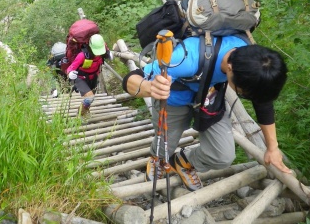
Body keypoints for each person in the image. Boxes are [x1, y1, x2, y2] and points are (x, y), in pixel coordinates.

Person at [122, 34, 292, 191]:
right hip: (173, 99)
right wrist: (149, 87)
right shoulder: (186, 58)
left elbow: (262, 101)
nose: (247, 97)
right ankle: (158, 159)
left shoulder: (253, 60)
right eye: (243, 93)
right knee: (166, 142)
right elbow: (131, 78)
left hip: (209, 97)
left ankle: (183, 161)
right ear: (230, 68)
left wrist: (272, 148)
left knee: (223, 156)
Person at [66, 34, 110, 117]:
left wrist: (110, 55)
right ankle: (80, 114)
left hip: (93, 77)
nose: (98, 54)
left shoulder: (103, 51)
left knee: (90, 99)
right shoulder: (82, 55)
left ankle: (84, 112)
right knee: (90, 97)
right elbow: (70, 68)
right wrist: (70, 73)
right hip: (80, 78)